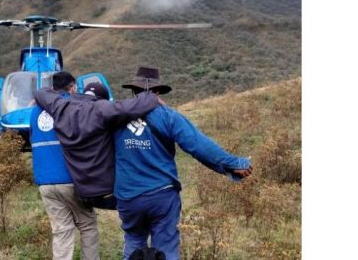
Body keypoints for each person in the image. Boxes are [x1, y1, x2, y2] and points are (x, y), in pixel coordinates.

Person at [114, 67, 253, 260]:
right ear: (157, 92)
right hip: (161, 195)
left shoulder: (114, 116)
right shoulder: (168, 115)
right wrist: (233, 163)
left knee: (133, 244)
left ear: (133, 91)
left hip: (128, 196)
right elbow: (198, 144)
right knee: (166, 249)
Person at [34, 77, 161, 209]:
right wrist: (151, 97)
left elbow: (41, 93)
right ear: (102, 99)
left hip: (82, 193)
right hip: (107, 193)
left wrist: (59, 97)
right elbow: (131, 108)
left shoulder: (61, 107)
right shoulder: (100, 108)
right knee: (148, 204)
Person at [30, 72, 99, 260]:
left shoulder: (36, 111)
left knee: (61, 230)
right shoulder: (73, 105)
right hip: (70, 179)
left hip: (44, 182)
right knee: (87, 225)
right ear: (73, 87)